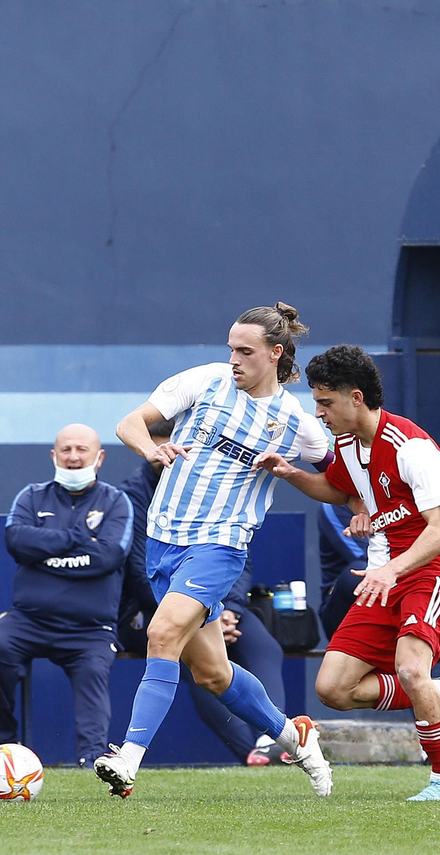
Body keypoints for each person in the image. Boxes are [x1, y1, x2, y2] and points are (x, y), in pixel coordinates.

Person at [92, 303, 334, 798]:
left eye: (245, 351)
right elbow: (129, 423)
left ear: (275, 354)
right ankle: (298, 740)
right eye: (231, 348)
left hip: (220, 544)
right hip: (163, 542)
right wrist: (151, 448)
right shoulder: (205, 381)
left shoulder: (296, 422)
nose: (234, 359)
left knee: (162, 634)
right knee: (213, 674)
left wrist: (293, 474)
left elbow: (336, 479)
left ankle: (128, 758)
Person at [259, 345, 440, 802]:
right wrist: (290, 474)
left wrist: (391, 569)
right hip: (385, 570)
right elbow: (340, 491)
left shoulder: (412, 447)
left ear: (356, 397)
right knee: (333, 689)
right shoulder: (346, 443)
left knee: (410, 670)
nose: (318, 413)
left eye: (325, 403)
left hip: (428, 570)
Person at [116, 450, 294, 765]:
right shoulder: (133, 496)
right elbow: (142, 571)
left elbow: (235, 553)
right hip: (155, 607)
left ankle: (272, 741)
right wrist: (193, 606)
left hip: (217, 601)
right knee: (201, 666)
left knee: (264, 646)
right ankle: (250, 754)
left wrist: (228, 609)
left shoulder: (213, 483)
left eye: (175, 448)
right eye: (160, 452)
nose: (168, 457)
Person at [0, 424, 132, 768]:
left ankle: (92, 759)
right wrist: (76, 539)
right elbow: (16, 540)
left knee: (93, 672)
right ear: (53, 455)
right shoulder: (31, 496)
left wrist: (46, 555)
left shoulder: (116, 501)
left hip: (90, 629)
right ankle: (2, 750)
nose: (74, 457)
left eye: (82, 450)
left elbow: (109, 557)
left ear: (100, 457)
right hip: (28, 620)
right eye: (66, 450)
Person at [319, 501, 440, 669]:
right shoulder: (333, 507)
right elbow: (375, 564)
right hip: (344, 610)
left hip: (395, 598)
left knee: (423, 574)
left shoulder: (391, 496)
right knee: (360, 575)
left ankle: (436, 643)